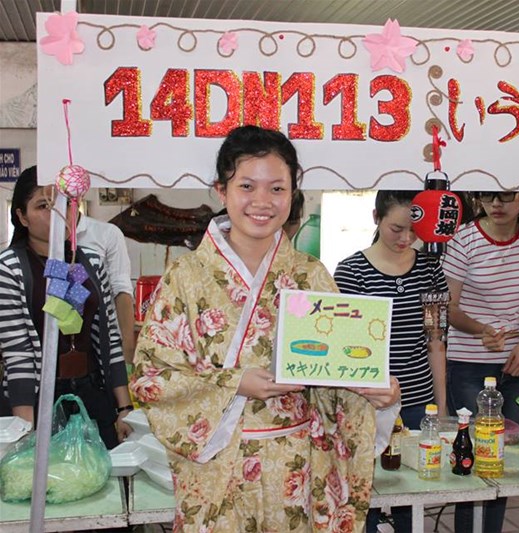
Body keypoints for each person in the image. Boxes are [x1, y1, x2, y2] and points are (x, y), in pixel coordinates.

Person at [131, 126, 400, 532]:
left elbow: (336, 381)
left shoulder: (312, 275)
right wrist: (235, 383)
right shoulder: (186, 276)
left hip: (297, 468)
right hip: (217, 469)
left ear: (292, 193)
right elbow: (152, 378)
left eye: (277, 188)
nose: (262, 201)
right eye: (246, 186)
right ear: (221, 191)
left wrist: (377, 395)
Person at [335, 190, 448, 533]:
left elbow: (436, 340)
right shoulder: (352, 271)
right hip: (367, 404)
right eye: (396, 228)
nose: (406, 238)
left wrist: (441, 407)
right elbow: (346, 349)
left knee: (413, 494)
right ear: (376, 218)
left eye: (414, 231)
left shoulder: (430, 269)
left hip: (416, 402)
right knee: (365, 493)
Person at [442, 190, 519, 532]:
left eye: (504, 196)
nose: (496, 205)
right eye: (487, 197)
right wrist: (481, 330)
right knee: (474, 453)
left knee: (506, 455)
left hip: (516, 361)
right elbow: (450, 307)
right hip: (468, 361)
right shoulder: (464, 238)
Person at [0, 166, 131, 449]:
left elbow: (110, 338)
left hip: (90, 393)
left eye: (66, 204)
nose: (59, 213)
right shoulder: (10, 268)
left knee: (101, 470)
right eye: (43, 206)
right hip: (38, 399)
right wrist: (24, 429)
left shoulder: (91, 262)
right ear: (22, 217)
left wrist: (124, 408)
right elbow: (18, 354)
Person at [75, 213, 136, 364]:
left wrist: (128, 348)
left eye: (69, 203)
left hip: (104, 337)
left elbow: (121, 289)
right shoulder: (42, 240)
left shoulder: (107, 233)